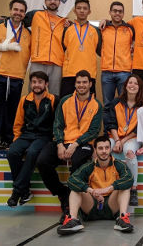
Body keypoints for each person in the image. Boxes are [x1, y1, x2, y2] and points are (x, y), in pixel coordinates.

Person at [36, 69, 102, 222]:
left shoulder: (96, 104)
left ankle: (71, 209)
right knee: (42, 161)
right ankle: (62, 193)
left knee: (78, 161)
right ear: (75, 84)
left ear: (90, 84)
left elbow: (94, 131)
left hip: (84, 144)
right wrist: (59, 144)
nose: (81, 85)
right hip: (63, 141)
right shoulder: (65, 101)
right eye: (78, 82)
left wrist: (75, 145)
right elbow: (58, 125)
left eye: (85, 82)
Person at [0, 0, 67, 96]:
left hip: (57, 64)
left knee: (55, 96)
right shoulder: (36, 14)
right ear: (45, 2)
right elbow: (17, 19)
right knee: (34, 94)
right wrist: (1, 19)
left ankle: (52, 113)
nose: (52, 1)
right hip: (37, 62)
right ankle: (32, 113)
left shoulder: (64, 22)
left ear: (59, 2)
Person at [57, 135, 134, 235]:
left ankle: (122, 219)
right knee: (75, 188)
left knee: (125, 186)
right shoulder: (89, 166)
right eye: (100, 148)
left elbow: (129, 178)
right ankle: (73, 220)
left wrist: (107, 189)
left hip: (111, 205)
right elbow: (72, 180)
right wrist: (91, 191)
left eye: (106, 148)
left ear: (110, 149)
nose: (104, 151)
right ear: (95, 150)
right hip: (91, 205)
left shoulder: (119, 165)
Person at [0, 0, 31, 149]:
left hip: (16, 76)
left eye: (22, 11)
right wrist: (6, 47)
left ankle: (8, 139)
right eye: (16, 10)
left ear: (25, 14)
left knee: (12, 110)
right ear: (10, 11)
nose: (18, 13)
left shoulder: (28, 33)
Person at [6, 71, 57, 207]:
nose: (36, 85)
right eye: (34, 82)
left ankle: (16, 192)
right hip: (26, 135)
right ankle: (25, 190)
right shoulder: (24, 99)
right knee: (12, 152)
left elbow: (57, 123)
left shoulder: (53, 99)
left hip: (44, 136)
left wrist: (54, 140)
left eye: (40, 82)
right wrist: (16, 139)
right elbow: (18, 122)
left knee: (32, 152)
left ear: (46, 84)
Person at [104, 74, 143, 207]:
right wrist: (117, 141)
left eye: (136, 83)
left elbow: (140, 129)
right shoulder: (116, 102)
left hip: (133, 138)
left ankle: (133, 189)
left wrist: (122, 141)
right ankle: (105, 185)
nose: (132, 85)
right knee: (102, 150)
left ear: (139, 88)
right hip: (115, 137)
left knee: (129, 152)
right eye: (130, 83)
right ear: (125, 86)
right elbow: (111, 123)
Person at [60, 0, 102, 98]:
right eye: (79, 8)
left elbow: (101, 51)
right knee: (66, 105)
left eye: (85, 8)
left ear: (89, 11)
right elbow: (62, 48)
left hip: (89, 74)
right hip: (69, 74)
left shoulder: (95, 30)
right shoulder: (67, 29)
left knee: (89, 106)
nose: (82, 11)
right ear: (74, 11)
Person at [100, 1, 135, 113]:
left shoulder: (129, 29)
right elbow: (97, 46)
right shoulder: (103, 28)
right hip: (106, 72)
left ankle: (122, 130)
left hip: (124, 72)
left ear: (123, 14)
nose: (117, 13)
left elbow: (134, 46)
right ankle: (107, 130)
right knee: (107, 105)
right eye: (115, 11)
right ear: (110, 12)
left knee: (124, 104)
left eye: (120, 11)